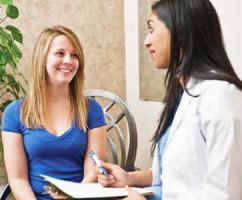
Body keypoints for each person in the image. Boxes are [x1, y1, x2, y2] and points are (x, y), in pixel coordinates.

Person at [97, 0, 242, 199]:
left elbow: (225, 195)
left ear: (181, 32)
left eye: (152, 29)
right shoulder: (182, 93)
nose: (146, 41)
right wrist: (128, 178)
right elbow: (174, 176)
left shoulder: (221, 96)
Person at [1, 26, 107, 199]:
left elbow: (91, 175)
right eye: (60, 53)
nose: (69, 60)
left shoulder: (92, 110)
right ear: (42, 59)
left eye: (74, 55)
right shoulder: (15, 113)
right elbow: (18, 180)